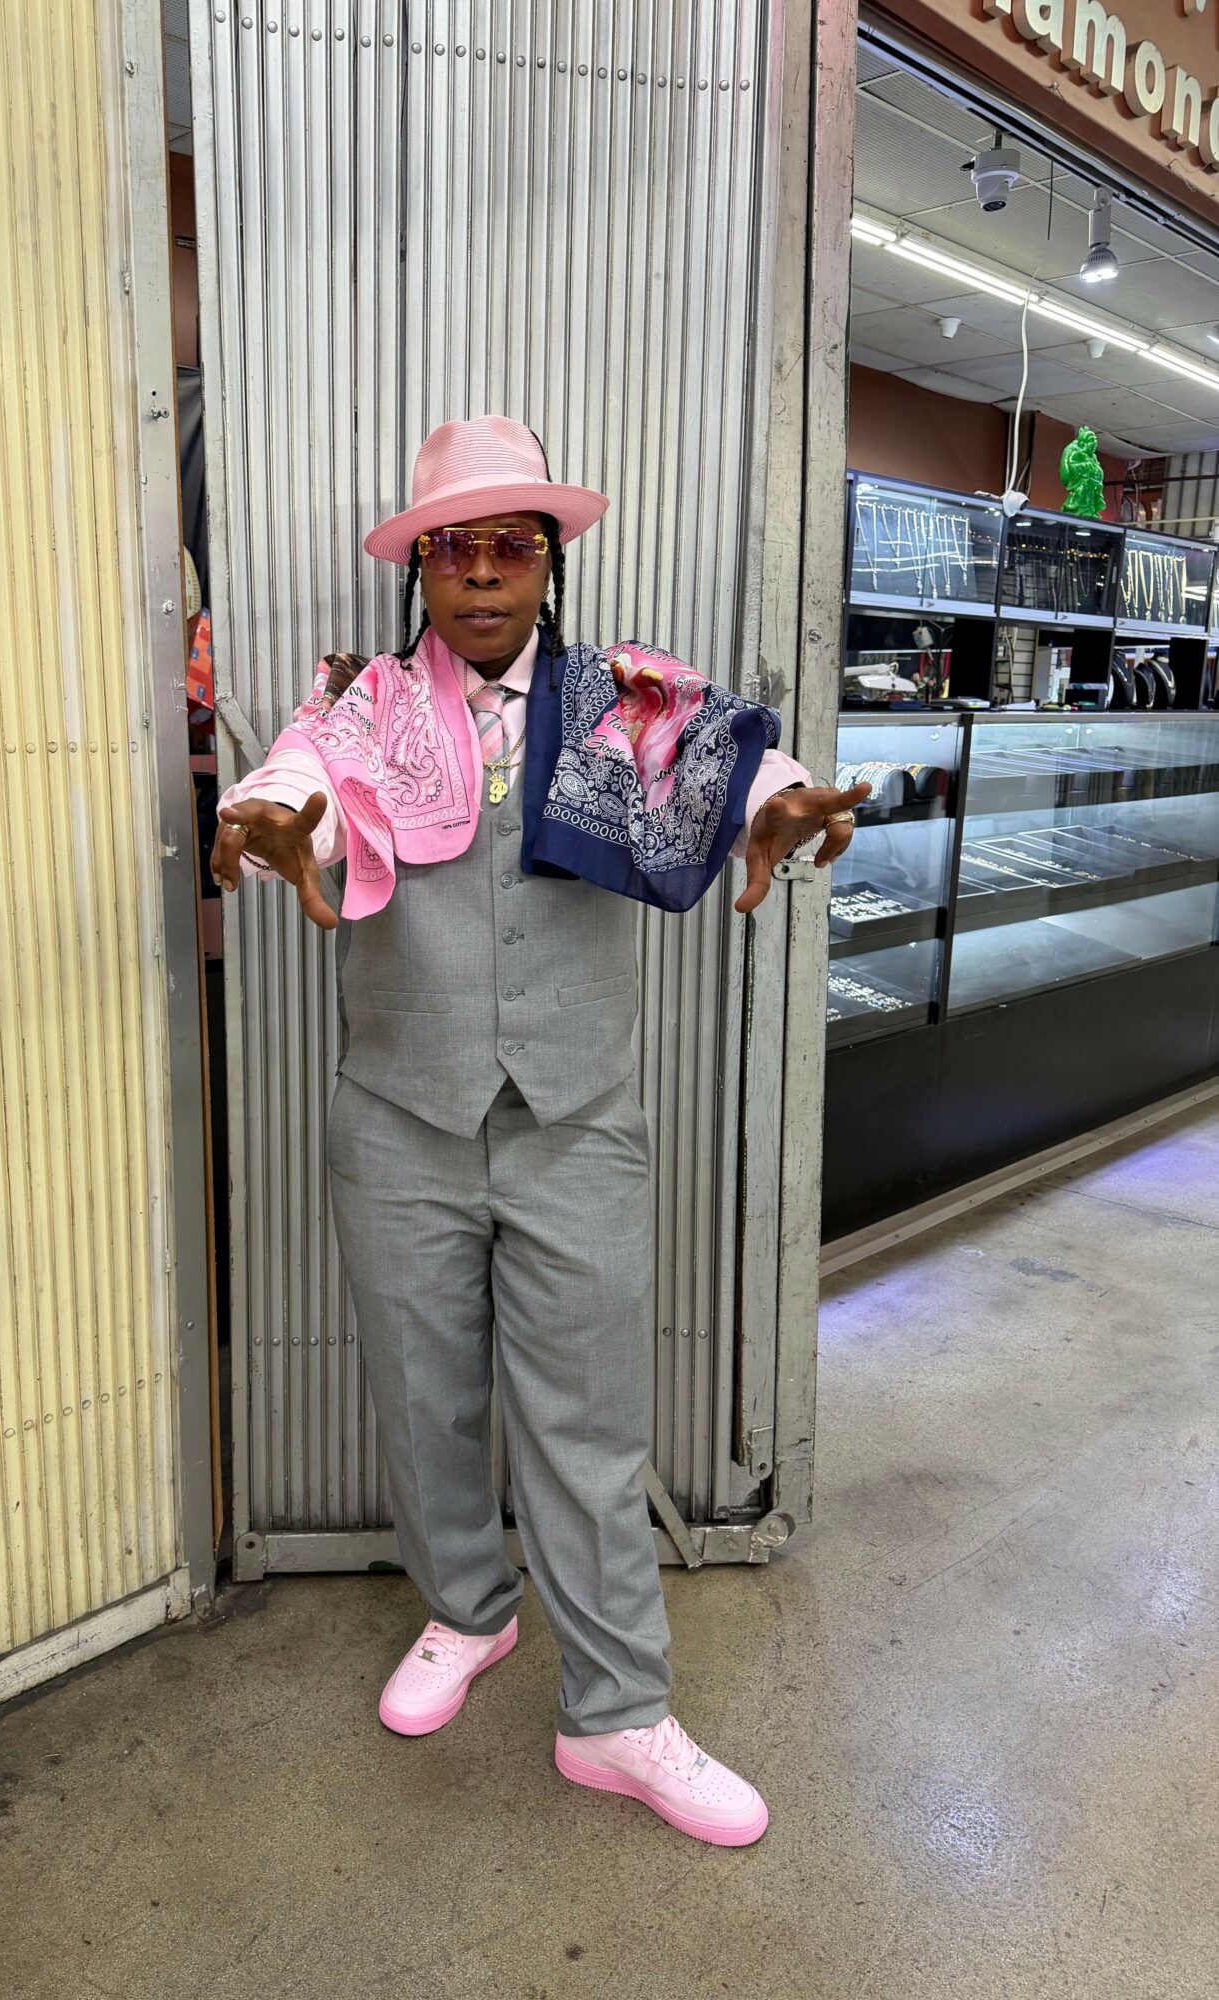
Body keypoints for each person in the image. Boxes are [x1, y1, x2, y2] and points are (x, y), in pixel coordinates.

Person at [214, 418, 865, 1847]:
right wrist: (264, 822)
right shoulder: (362, 702)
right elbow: (293, 783)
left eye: (513, 545)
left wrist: (784, 798)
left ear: (548, 563)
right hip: (400, 1117)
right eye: (459, 547)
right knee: (423, 1391)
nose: (486, 574)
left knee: (586, 1425)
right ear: (425, 567)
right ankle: (467, 1610)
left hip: (575, 1121)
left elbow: (735, 764)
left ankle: (621, 1715)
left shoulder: (623, 698)